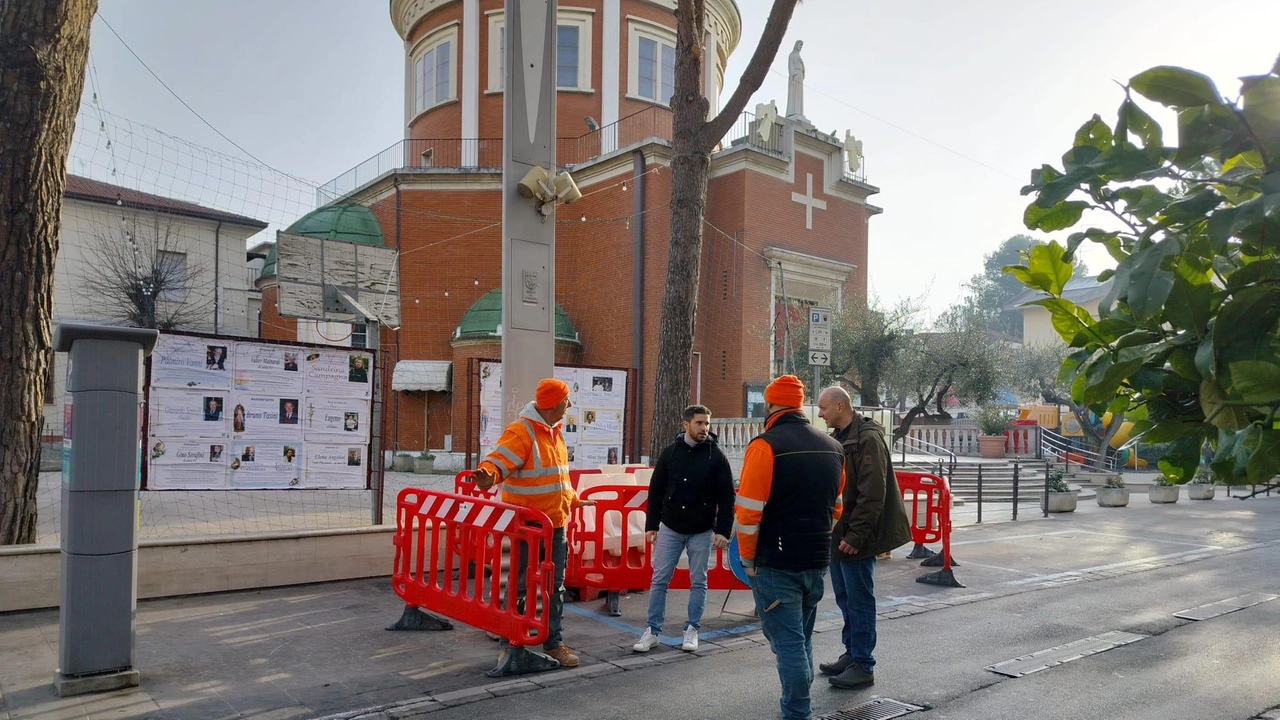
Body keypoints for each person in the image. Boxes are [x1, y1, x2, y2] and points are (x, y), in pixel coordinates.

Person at [735, 375, 845, 720]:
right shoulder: (833, 447)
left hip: (775, 560)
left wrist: (748, 558)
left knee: (788, 644)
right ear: (800, 406)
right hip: (816, 559)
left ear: (769, 405)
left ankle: (798, 712)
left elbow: (748, 513)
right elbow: (836, 506)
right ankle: (799, 704)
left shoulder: (765, 446)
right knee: (801, 638)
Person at [473, 378, 594, 669]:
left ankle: (554, 643)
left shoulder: (555, 433)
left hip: (555, 526)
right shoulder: (522, 431)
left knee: (555, 587)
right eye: (567, 400)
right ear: (554, 403)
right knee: (517, 586)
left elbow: (556, 478)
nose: (570, 405)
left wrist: (572, 499)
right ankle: (509, 644)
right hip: (526, 529)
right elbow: (498, 462)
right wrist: (487, 475)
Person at [816, 386, 912, 690]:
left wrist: (856, 535)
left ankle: (863, 664)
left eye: (823, 408)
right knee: (846, 598)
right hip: (840, 533)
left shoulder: (867, 438)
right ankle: (853, 654)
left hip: (856, 536)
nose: (819, 414)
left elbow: (872, 494)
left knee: (859, 600)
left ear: (841, 407)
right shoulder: (840, 438)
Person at [633, 405, 735, 654]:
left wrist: (723, 531)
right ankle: (652, 631)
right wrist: (651, 525)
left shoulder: (717, 456)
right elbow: (656, 491)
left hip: (701, 530)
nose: (705, 428)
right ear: (686, 424)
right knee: (659, 579)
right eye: (699, 423)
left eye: (707, 423)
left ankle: (692, 630)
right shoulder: (670, 453)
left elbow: (726, 496)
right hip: (670, 526)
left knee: (698, 581)